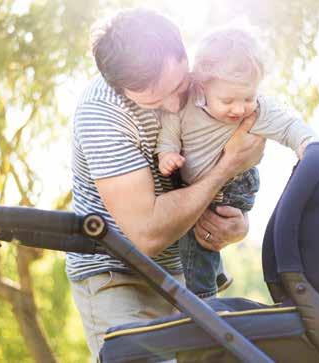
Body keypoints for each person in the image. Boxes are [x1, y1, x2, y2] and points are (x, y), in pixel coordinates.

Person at [67, 9, 265, 359]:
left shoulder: (206, 82)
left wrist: (237, 225)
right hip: (118, 275)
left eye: (178, 86)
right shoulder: (102, 113)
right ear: (122, 87)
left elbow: (233, 170)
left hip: (182, 273)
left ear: (182, 53)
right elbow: (147, 234)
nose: (175, 104)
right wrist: (226, 166)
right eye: (155, 100)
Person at [156, 27, 319, 298]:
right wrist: (167, 154)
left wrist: (308, 144)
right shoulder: (185, 105)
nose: (239, 108)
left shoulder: (258, 111)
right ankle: (216, 273)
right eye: (228, 100)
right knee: (189, 216)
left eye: (248, 97)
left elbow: (289, 126)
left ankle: (203, 298)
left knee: (195, 233)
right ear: (201, 86)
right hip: (200, 180)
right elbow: (169, 130)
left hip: (236, 185)